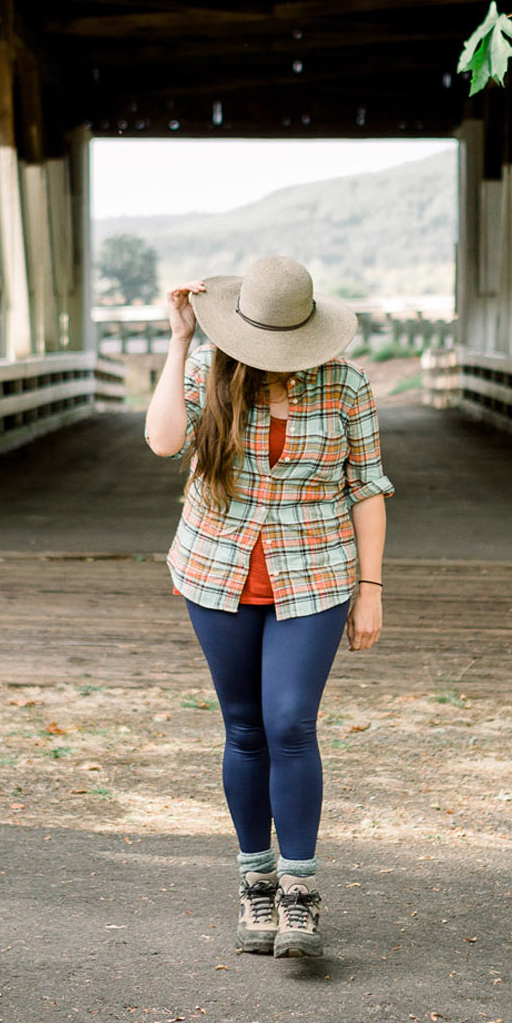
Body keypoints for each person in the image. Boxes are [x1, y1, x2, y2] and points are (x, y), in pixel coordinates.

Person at [144, 254, 393, 960]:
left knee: (291, 722)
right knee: (244, 727)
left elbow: (367, 486)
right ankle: (255, 880)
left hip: (315, 572)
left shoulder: (344, 384)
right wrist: (179, 339)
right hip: (216, 569)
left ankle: (300, 893)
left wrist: (370, 590)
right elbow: (164, 440)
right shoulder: (208, 373)